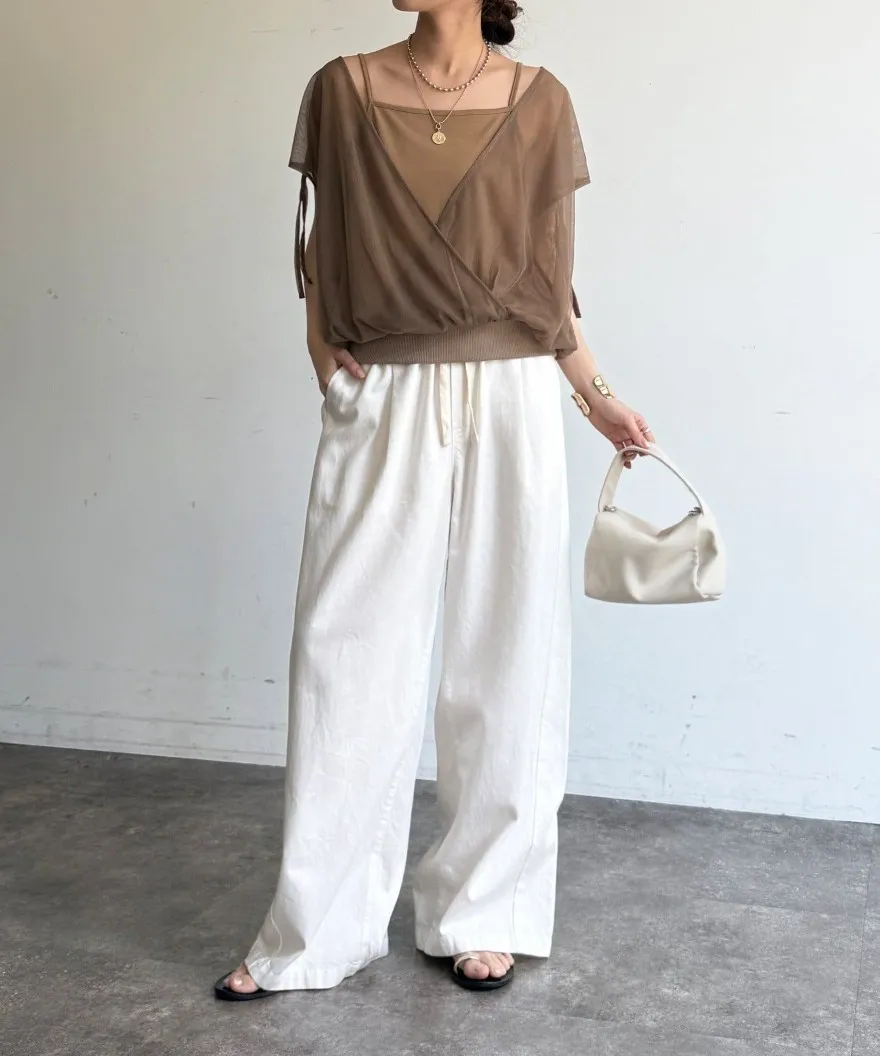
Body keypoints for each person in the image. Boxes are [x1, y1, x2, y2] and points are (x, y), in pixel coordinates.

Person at [215, 0, 652, 999]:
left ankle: (485, 909)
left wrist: (596, 396)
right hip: (385, 386)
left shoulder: (540, 101)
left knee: (508, 647)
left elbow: (552, 280)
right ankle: (316, 930)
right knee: (345, 647)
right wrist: (319, 350)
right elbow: (321, 246)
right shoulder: (342, 88)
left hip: (513, 394)